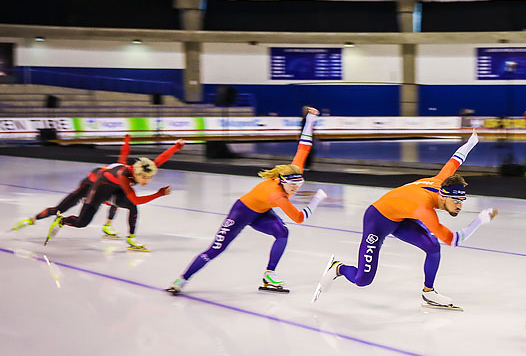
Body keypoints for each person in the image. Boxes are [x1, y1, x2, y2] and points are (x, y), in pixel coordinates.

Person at [313, 131, 498, 310]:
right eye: (455, 201)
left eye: (461, 201)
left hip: (401, 217)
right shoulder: (425, 209)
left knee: (433, 247)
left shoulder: (441, 181)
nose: (459, 205)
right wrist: (479, 220)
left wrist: (471, 142)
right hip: (377, 220)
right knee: (363, 280)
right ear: (443, 197)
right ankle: (338, 268)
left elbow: (455, 160)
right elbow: (453, 240)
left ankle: (429, 292)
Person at [166, 108, 326, 295]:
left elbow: (304, 146)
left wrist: (310, 120)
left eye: (300, 183)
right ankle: (181, 280)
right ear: (282, 182)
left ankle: (269, 276)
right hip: (241, 212)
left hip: (262, 211)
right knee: (216, 249)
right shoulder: (277, 195)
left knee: (283, 233)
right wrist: (316, 199)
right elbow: (299, 218)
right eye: (293, 185)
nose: (297, 188)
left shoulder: (293, 170)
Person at [42, 137, 185, 251]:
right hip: (98, 192)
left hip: (113, 190)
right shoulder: (123, 176)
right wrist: (159, 194)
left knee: (132, 207)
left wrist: (176, 147)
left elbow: (160, 160)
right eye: (145, 178)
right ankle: (62, 221)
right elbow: (135, 199)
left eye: (150, 177)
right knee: (82, 223)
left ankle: (131, 237)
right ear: (137, 174)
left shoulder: (141, 169)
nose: (148, 181)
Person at [12, 134, 134, 239]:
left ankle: (107, 224)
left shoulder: (119, 170)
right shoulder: (112, 173)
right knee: (59, 210)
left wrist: (127, 142)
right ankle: (33, 220)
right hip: (86, 189)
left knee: (117, 197)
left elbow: (124, 153)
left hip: (97, 192)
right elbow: (124, 154)